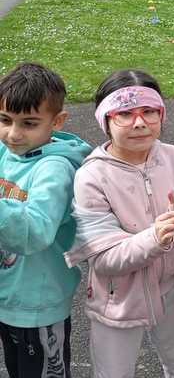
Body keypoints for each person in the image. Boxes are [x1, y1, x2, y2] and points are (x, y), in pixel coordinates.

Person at [65, 69, 174, 378]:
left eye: (149, 111)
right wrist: (156, 236)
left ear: (161, 114)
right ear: (105, 120)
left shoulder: (173, 157)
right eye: (125, 114)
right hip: (118, 300)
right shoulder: (92, 176)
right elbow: (104, 260)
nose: (139, 122)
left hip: (172, 289)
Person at [0, 62, 91, 378]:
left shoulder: (55, 169)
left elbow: (36, 232)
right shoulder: (6, 151)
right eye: (5, 120)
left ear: (57, 121)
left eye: (29, 123)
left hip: (37, 306)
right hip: (9, 295)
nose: (13, 133)